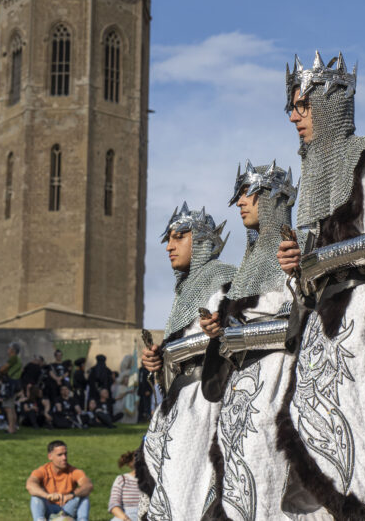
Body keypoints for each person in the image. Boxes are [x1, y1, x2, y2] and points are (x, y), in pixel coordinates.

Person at [273, 51, 365, 518]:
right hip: (322, 328)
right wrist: (298, 266)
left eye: (303, 105)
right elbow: (309, 283)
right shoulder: (314, 182)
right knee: (322, 448)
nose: (294, 115)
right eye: (293, 107)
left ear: (330, 103)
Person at [200, 163, 297, 520]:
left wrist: (236, 331)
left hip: (279, 387)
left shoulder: (293, 253)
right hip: (240, 395)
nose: (240, 202)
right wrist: (219, 332)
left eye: (248, 194)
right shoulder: (245, 270)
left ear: (273, 200)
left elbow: (300, 323)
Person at [138, 203, 236, 520]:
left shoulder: (223, 278)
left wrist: (219, 330)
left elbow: (226, 336)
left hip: (207, 400)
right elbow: (182, 351)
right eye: (169, 239)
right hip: (180, 399)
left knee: (192, 489)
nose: (168, 246)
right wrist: (159, 359)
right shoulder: (184, 289)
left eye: (178, 237)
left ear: (202, 240)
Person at [26, 439, 93, 521]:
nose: (64, 458)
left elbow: (88, 485)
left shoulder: (74, 471)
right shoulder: (42, 471)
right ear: (50, 456)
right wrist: (47, 496)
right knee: (36, 497)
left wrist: (72, 495)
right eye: (60, 455)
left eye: (65, 454)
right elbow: (30, 485)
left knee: (83, 495)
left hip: (68, 509)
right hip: (49, 509)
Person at [109, 450, 141, 521]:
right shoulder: (122, 480)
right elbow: (114, 506)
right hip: (125, 516)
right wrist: (126, 519)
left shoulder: (154, 481)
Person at [0, 342, 23, 434]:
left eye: (8, 348)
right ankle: (14, 427)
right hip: (16, 383)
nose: (7, 350)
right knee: (12, 407)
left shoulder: (13, 358)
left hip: (10, 383)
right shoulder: (18, 359)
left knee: (8, 406)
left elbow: (3, 368)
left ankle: (11, 428)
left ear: (12, 350)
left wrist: (0, 370)